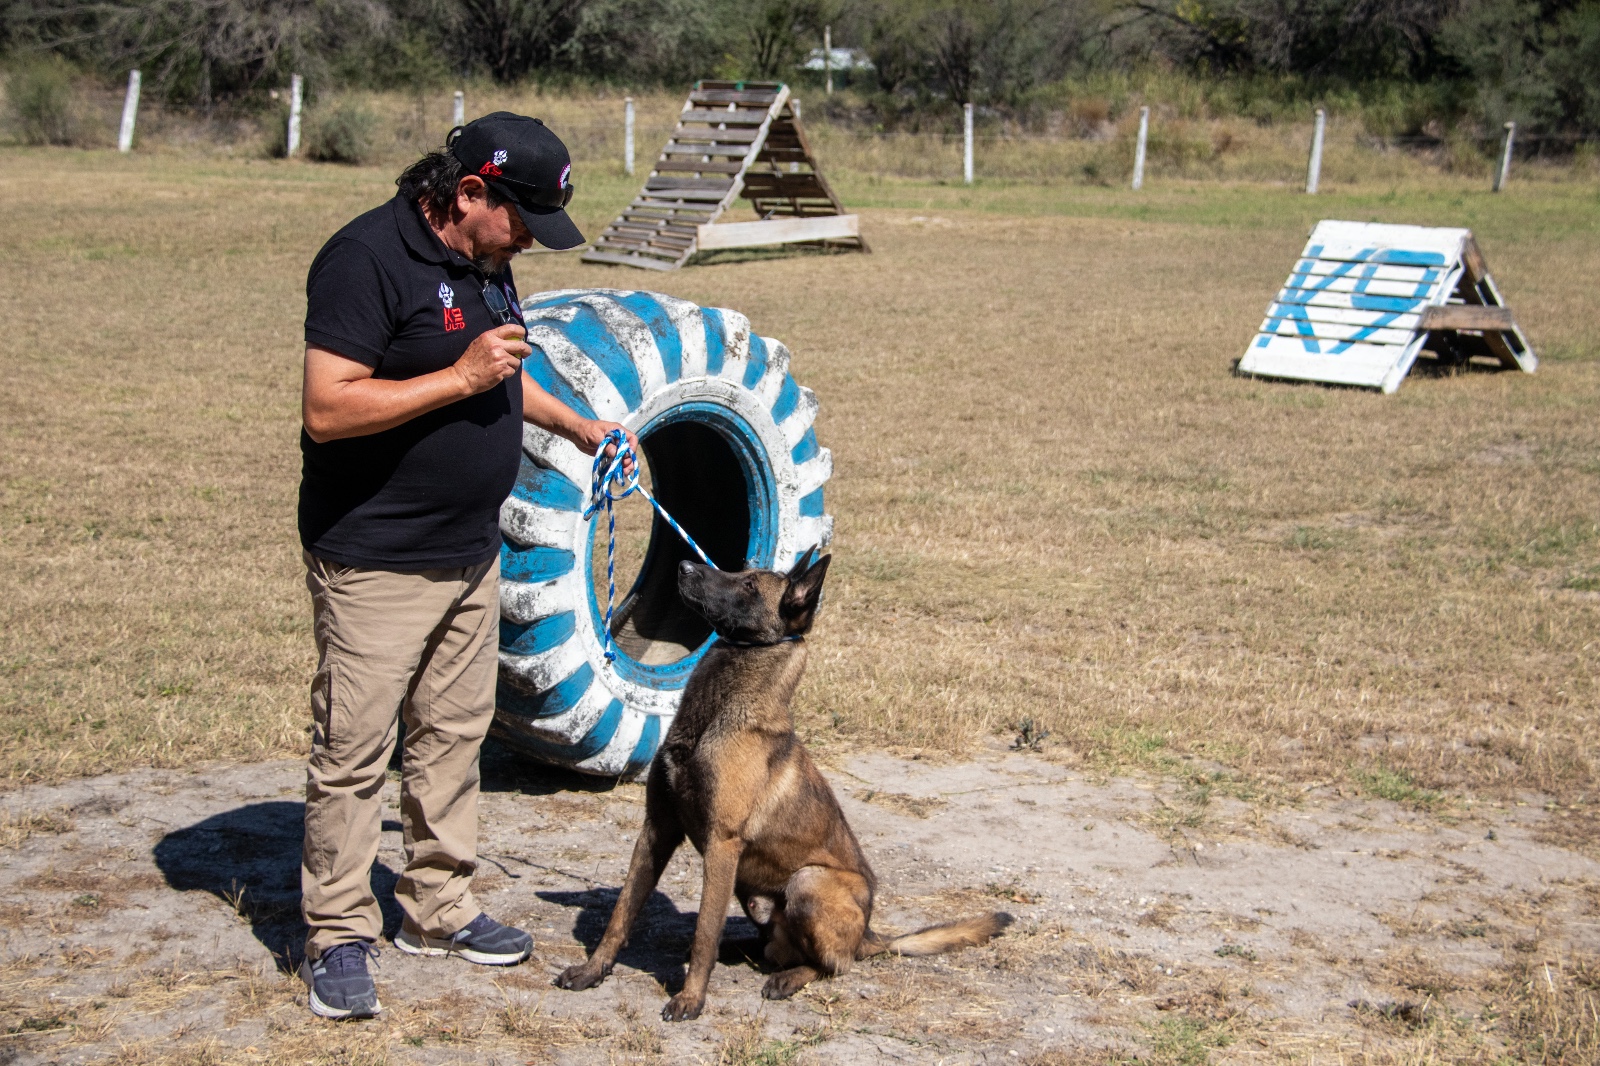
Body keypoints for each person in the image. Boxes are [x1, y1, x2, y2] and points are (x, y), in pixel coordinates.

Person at [295, 112, 634, 1019]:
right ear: (469, 192)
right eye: (521, 219)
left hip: (468, 552)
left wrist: (580, 426)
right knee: (355, 750)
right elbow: (328, 408)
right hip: (377, 558)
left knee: (451, 737)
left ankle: (437, 905)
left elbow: (507, 371)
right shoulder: (364, 259)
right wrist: (461, 379)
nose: (529, 240)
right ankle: (337, 934)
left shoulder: (488, 262)